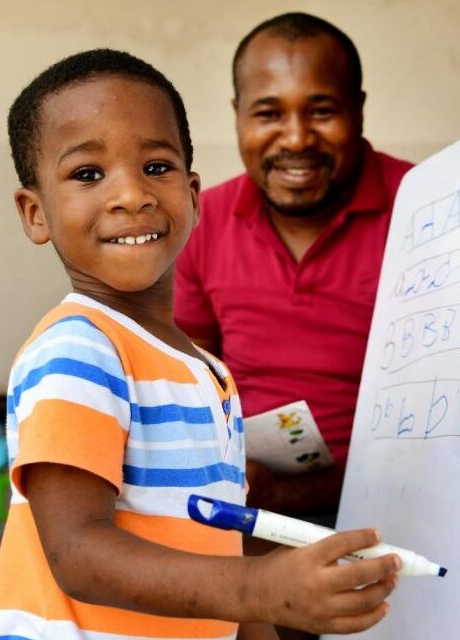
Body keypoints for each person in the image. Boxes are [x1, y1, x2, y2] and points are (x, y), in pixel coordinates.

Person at [0, 48, 400, 640]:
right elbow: (76, 555)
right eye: (87, 174)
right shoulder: (77, 350)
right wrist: (263, 587)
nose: (131, 195)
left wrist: (262, 605)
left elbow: (221, 553)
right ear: (35, 213)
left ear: (196, 196)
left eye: (156, 167)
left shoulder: (205, 371)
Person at [174, 13, 414, 519]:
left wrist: (291, 497)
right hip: (242, 502)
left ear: (360, 110)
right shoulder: (203, 221)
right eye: (269, 114)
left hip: (397, 505)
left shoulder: (425, 206)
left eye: (322, 111)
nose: (298, 139)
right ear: (238, 115)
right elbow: (187, 378)